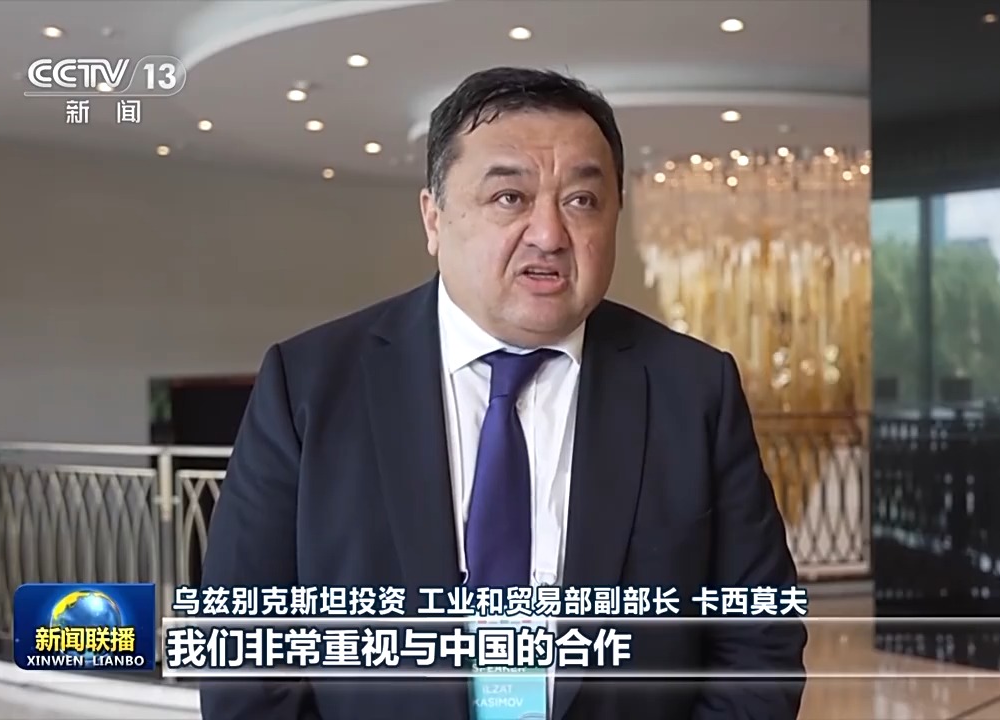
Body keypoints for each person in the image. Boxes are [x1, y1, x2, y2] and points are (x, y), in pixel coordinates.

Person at [199, 66, 806, 720]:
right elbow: (243, 649)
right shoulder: (309, 385)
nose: (549, 234)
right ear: (433, 218)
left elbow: (759, 645)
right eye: (510, 197)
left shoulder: (693, 389)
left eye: (582, 201)